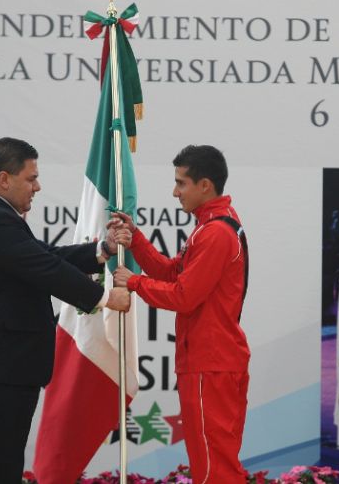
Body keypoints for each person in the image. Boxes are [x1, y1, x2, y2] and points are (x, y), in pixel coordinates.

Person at [0, 137, 131, 484]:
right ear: (5, 178)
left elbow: (44, 258)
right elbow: (46, 270)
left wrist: (101, 250)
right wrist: (105, 298)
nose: (37, 186)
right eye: (31, 178)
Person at [111, 144, 250, 484]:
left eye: (181, 183)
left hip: (211, 363)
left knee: (213, 466)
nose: (175, 192)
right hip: (208, 361)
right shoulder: (211, 226)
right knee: (210, 461)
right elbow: (174, 274)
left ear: (205, 185)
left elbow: (184, 296)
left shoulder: (216, 232)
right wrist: (137, 240)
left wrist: (133, 283)